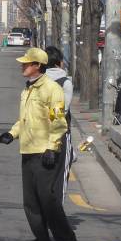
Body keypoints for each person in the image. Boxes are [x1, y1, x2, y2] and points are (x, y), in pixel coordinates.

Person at [0, 47, 78, 241]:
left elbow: (58, 122)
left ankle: (66, 238)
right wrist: (11, 133)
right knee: (30, 201)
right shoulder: (27, 90)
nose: (22, 66)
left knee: (48, 198)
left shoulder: (52, 90)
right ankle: (42, 240)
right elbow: (24, 120)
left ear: (38, 66)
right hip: (28, 150)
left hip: (45, 152)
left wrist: (52, 147)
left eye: (27, 63)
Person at [44, 45, 74, 203]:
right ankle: (56, 214)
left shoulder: (37, 80)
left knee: (44, 175)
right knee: (60, 175)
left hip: (39, 134)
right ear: (59, 63)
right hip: (60, 134)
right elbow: (62, 111)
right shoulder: (64, 82)